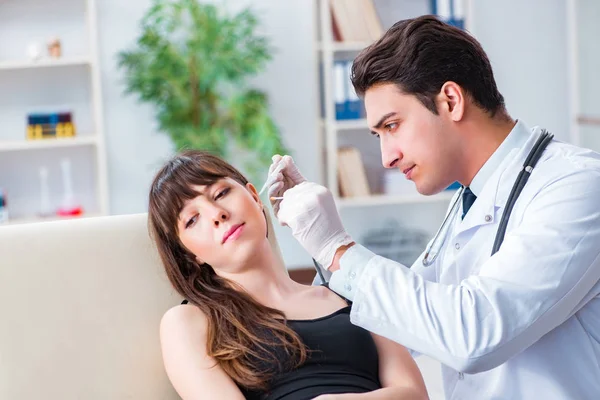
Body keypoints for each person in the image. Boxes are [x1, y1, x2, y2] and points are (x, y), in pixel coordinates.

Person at [267, 15, 600, 400]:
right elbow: (406, 323)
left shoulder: (577, 185)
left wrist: (337, 248)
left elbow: (473, 334)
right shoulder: (467, 200)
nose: (386, 157)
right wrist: (320, 248)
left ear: (451, 101)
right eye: (378, 135)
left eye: (391, 126)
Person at [147, 150, 428, 400]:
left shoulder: (349, 292)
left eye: (221, 194)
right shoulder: (190, 322)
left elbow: (415, 393)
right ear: (189, 254)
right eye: (193, 219)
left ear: (256, 198)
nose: (217, 214)